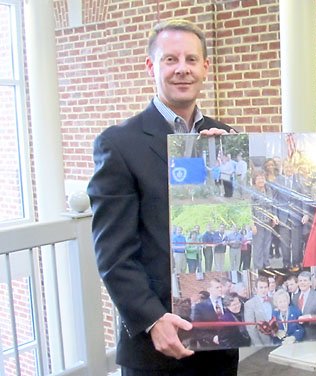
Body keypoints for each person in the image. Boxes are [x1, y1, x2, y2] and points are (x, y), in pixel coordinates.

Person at [87, 19, 238, 374]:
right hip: (157, 343)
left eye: (190, 59)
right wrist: (152, 319)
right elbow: (113, 253)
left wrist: (230, 173)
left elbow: (232, 229)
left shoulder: (224, 138)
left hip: (218, 340)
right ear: (151, 67)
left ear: (205, 68)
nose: (182, 69)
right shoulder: (119, 144)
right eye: (170, 60)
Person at [294, 271, 316, 341]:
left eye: (305, 280)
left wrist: (309, 317)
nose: (302, 283)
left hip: (314, 337)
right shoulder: (295, 297)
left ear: (310, 283)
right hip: (297, 338)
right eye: (300, 281)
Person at [244, 277, 274, 346]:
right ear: (256, 289)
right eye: (261, 287)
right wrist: (259, 346)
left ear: (268, 288)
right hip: (260, 342)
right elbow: (251, 328)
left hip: (274, 340)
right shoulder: (249, 304)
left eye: (265, 287)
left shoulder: (272, 300)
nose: (263, 290)